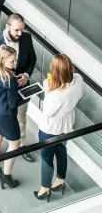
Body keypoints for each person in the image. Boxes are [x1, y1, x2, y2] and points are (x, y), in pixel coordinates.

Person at [0, 14, 37, 164]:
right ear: (8, 27)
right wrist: (2, 80)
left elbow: (32, 59)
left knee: (21, 119)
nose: (20, 33)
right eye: (17, 30)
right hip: (1, 92)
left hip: (21, 87)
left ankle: (20, 145)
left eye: (22, 30)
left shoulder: (26, 38)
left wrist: (25, 75)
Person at [34, 54, 83, 201]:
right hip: (67, 127)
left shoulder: (56, 95)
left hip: (50, 130)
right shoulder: (78, 80)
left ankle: (45, 188)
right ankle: (60, 180)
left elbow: (48, 112)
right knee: (61, 151)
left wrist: (47, 90)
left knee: (46, 158)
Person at [0, 45, 21, 189]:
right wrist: (24, 94)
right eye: (12, 61)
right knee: (15, 145)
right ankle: (7, 175)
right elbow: (13, 103)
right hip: (6, 115)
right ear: (2, 60)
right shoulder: (10, 79)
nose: (15, 63)